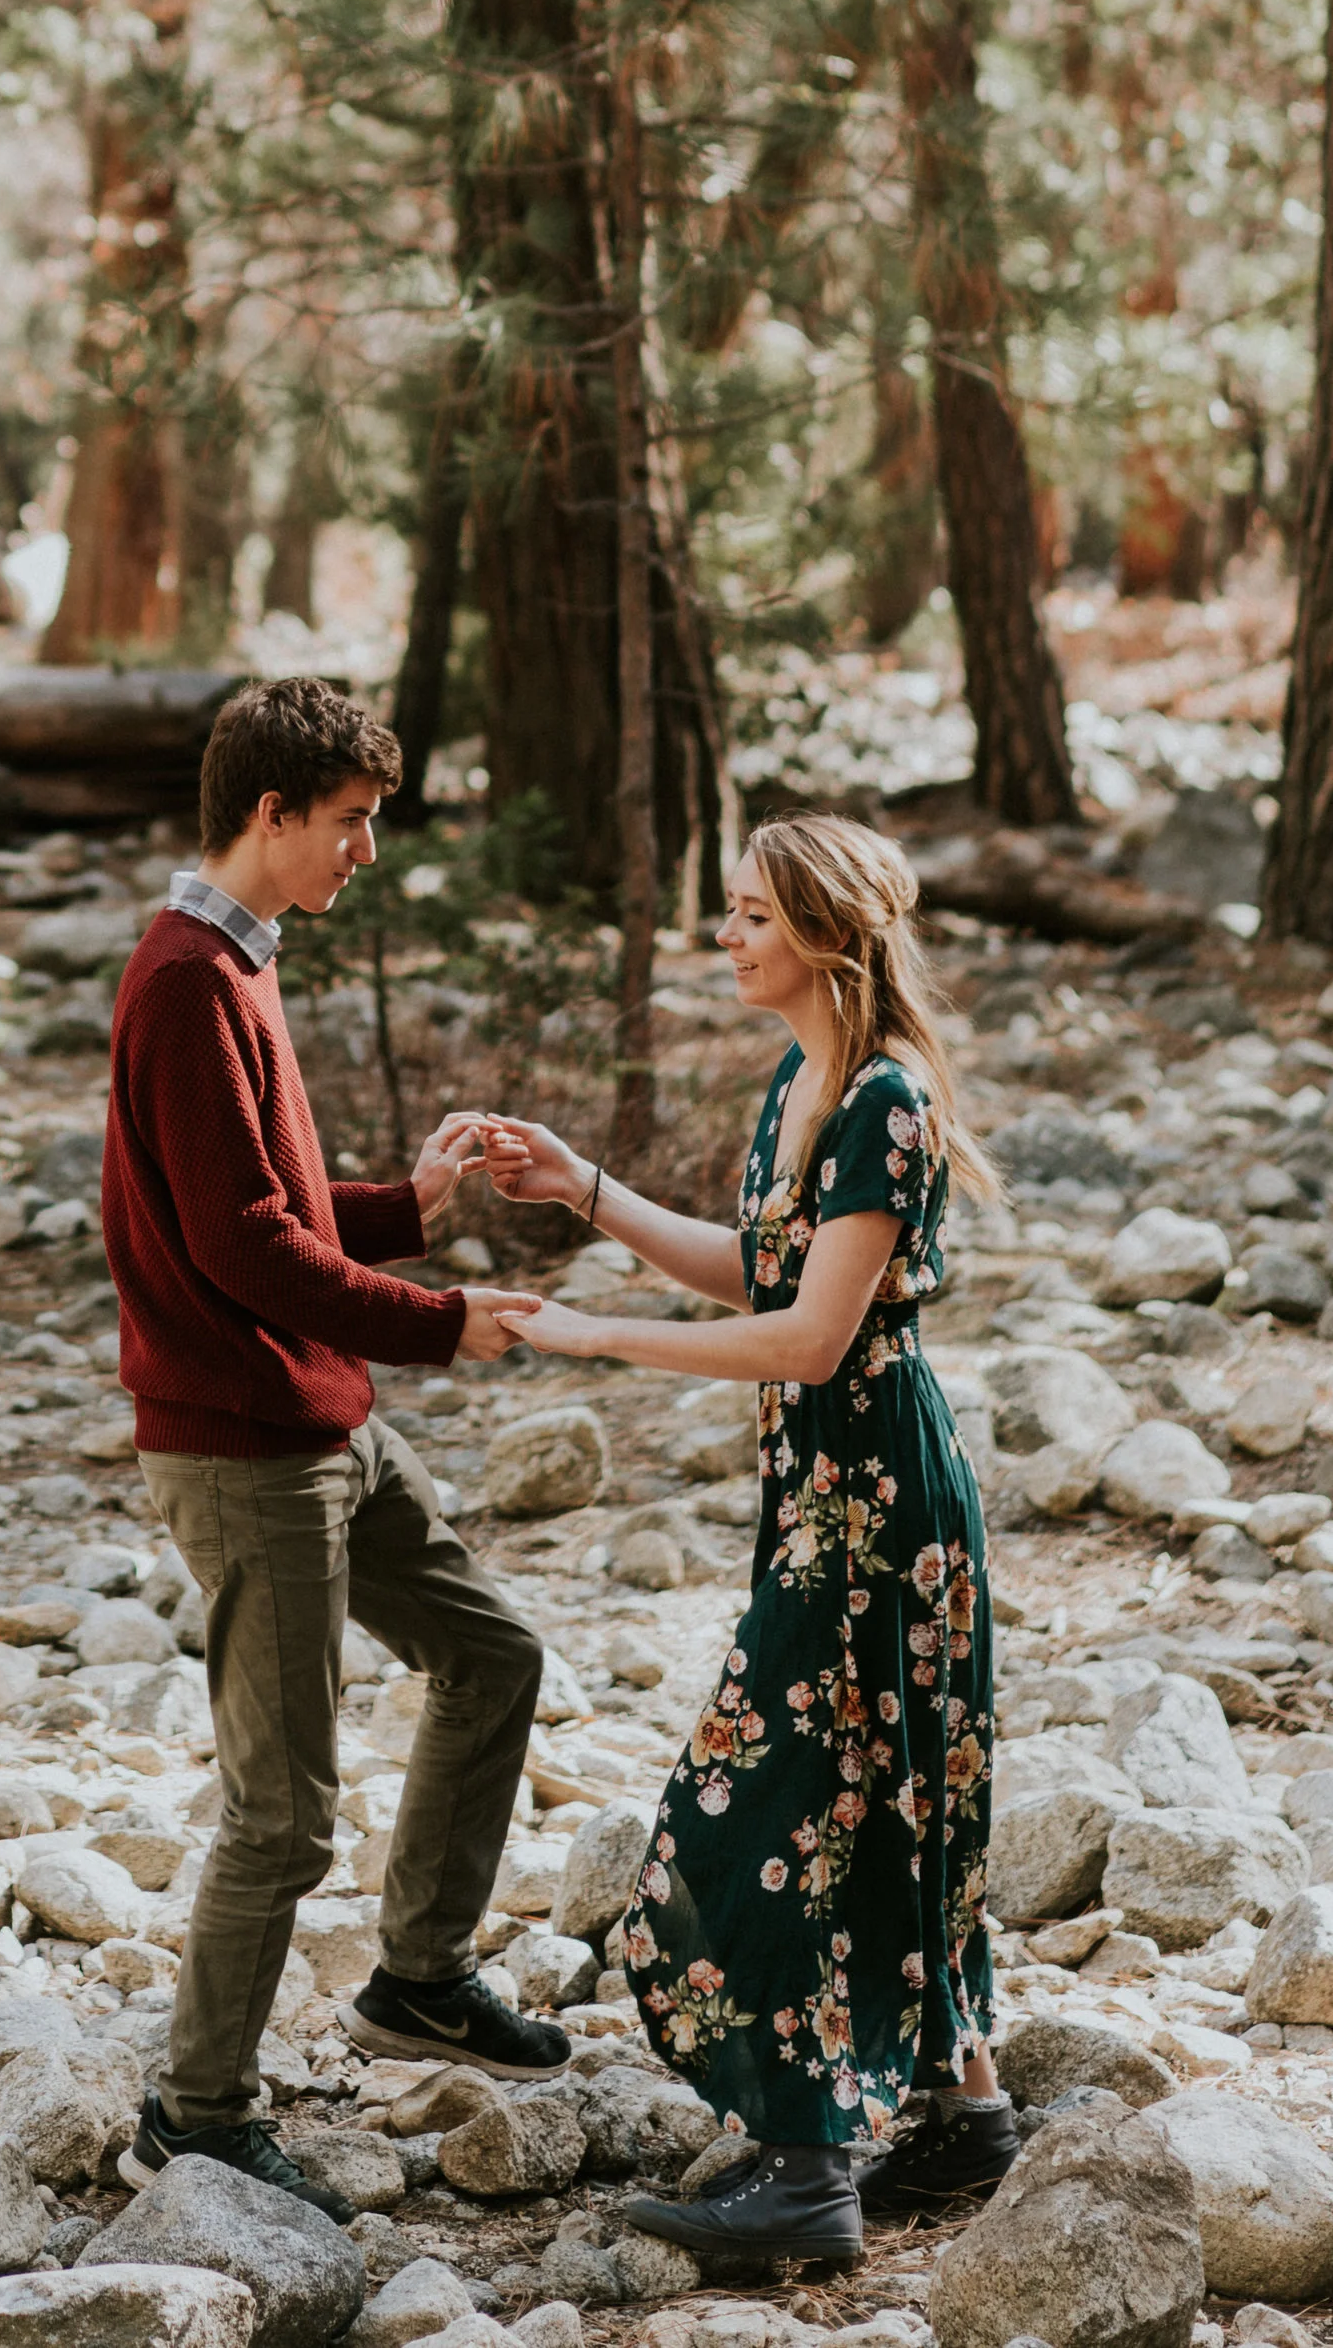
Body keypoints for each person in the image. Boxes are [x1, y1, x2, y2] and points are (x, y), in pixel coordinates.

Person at [477, 812, 1008, 2277]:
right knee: (879, 1779)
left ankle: (804, 2167)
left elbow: (812, 1332)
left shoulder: (887, 1103)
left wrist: (596, 1336)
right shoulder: (804, 1081)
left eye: (754, 917)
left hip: (881, 1502)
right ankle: (965, 2108)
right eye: (728, 912)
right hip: (820, 1490)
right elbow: (758, 1263)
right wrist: (581, 1190)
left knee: (771, 1801)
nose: (728, 938)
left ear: (830, 937)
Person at [102, 673, 570, 2214]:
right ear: (271, 813)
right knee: (286, 1812)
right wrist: (440, 1317)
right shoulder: (184, 981)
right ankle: (198, 2110)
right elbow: (237, 1251)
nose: (365, 854)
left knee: (492, 1653)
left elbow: (267, 1198)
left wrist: (405, 1209)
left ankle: (421, 1980)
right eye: (353, 825)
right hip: (247, 1451)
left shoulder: (240, 961)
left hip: (324, 1421)